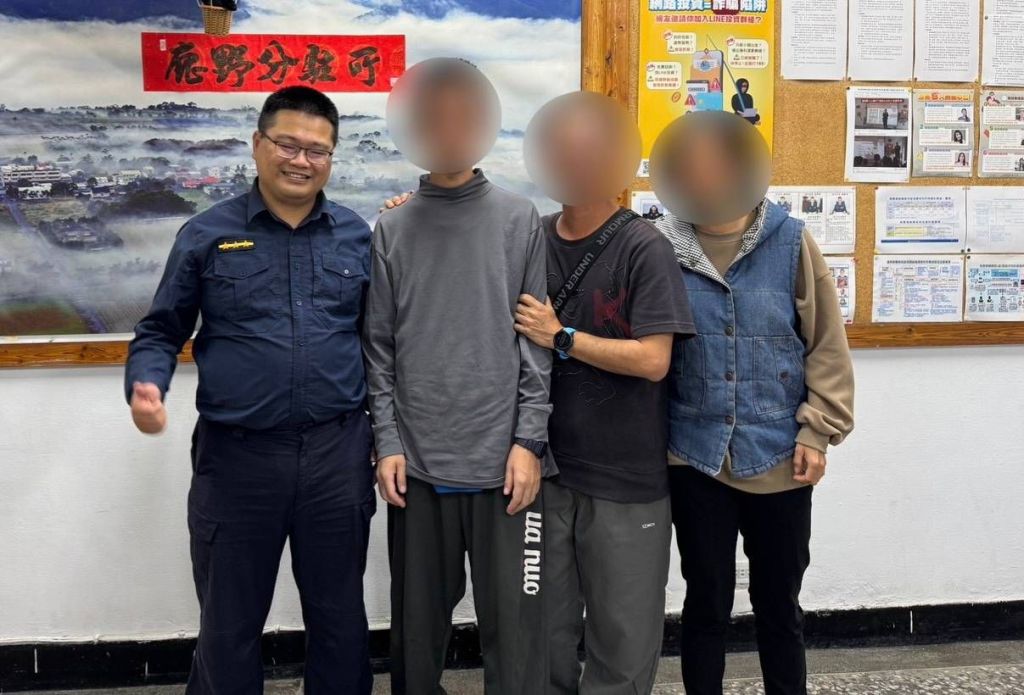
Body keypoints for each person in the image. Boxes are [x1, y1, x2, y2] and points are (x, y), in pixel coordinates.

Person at [125, 86, 376, 693]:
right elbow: (160, 330)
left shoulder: (357, 236)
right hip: (237, 460)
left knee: (341, 620)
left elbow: (380, 341)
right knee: (229, 624)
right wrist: (147, 384)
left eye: (317, 150)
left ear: (332, 158)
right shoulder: (205, 234)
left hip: (337, 455)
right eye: (287, 144)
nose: (301, 160)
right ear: (258, 144)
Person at [364, 57, 553, 694]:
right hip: (416, 464)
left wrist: (528, 443)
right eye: (434, 116)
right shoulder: (392, 226)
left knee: (516, 633)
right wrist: (387, 442)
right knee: (416, 636)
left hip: (505, 465)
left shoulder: (519, 219)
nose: (448, 128)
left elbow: (536, 344)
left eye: (462, 115)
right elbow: (379, 347)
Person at [650, 112, 855, 695]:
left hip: (779, 455)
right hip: (694, 457)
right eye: (693, 166)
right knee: (705, 602)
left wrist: (818, 431)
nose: (706, 175)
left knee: (779, 604)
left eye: (718, 164)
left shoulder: (790, 241)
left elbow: (825, 342)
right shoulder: (660, 245)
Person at [516, 91, 696, 694]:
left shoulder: (645, 246)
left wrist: (561, 337)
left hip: (625, 478)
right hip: (543, 472)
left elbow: (653, 360)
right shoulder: (530, 237)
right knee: (543, 630)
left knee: (622, 638)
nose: (575, 164)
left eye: (588, 152)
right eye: (563, 152)